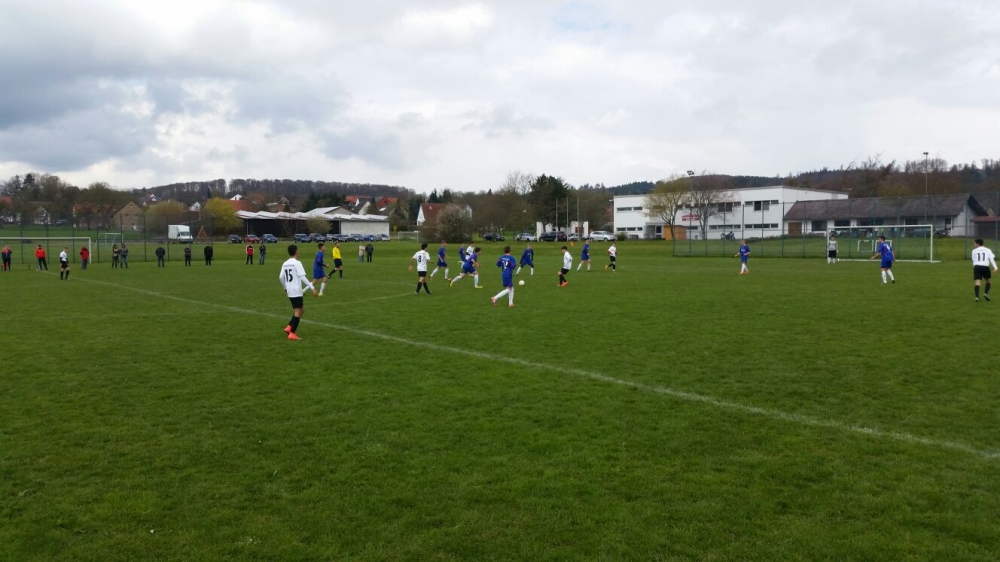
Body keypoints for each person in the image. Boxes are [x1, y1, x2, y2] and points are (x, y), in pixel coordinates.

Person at [279, 244, 317, 341]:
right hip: (296, 291)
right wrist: (312, 288)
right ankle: (292, 333)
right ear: (296, 252)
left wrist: (285, 287)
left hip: (290, 291)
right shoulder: (297, 263)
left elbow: (281, 277)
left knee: (301, 310)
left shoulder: (285, 263)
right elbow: (302, 277)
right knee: (298, 311)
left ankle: (289, 327)